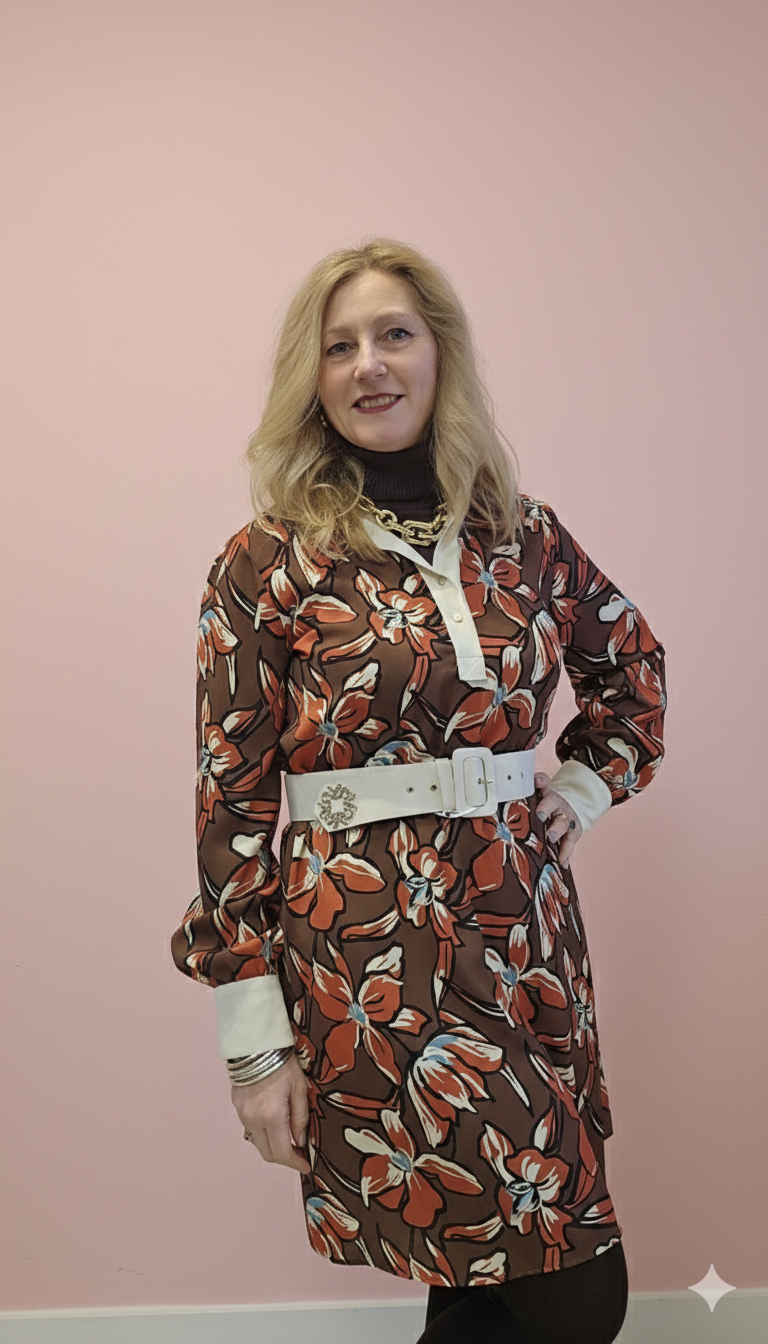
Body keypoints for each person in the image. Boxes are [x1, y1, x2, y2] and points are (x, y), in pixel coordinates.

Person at [172, 238, 665, 1343]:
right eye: (338, 346)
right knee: (554, 1278)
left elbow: (633, 673)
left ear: (439, 352)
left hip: (525, 931)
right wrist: (254, 1044)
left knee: (492, 1268)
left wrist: (585, 787)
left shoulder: (525, 534)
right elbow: (231, 803)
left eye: (393, 334)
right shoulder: (266, 563)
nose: (369, 364)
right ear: (312, 379)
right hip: (371, 951)